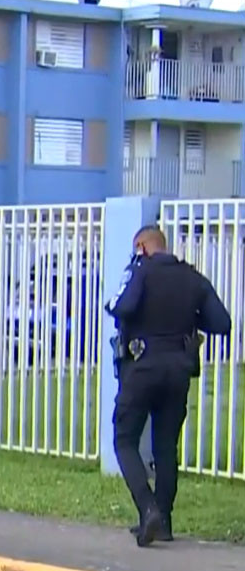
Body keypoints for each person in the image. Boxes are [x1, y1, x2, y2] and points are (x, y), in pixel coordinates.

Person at [105, 224, 231, 547]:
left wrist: (135, 270)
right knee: (165, 447)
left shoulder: (140, 271)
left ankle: (148, 510)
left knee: (124, 438)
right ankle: (164, 521)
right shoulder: (193, 277)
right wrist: (190, 318)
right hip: (177, 370)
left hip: (142, 368)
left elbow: (122, 307)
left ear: (142, 248)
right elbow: (222, 323)